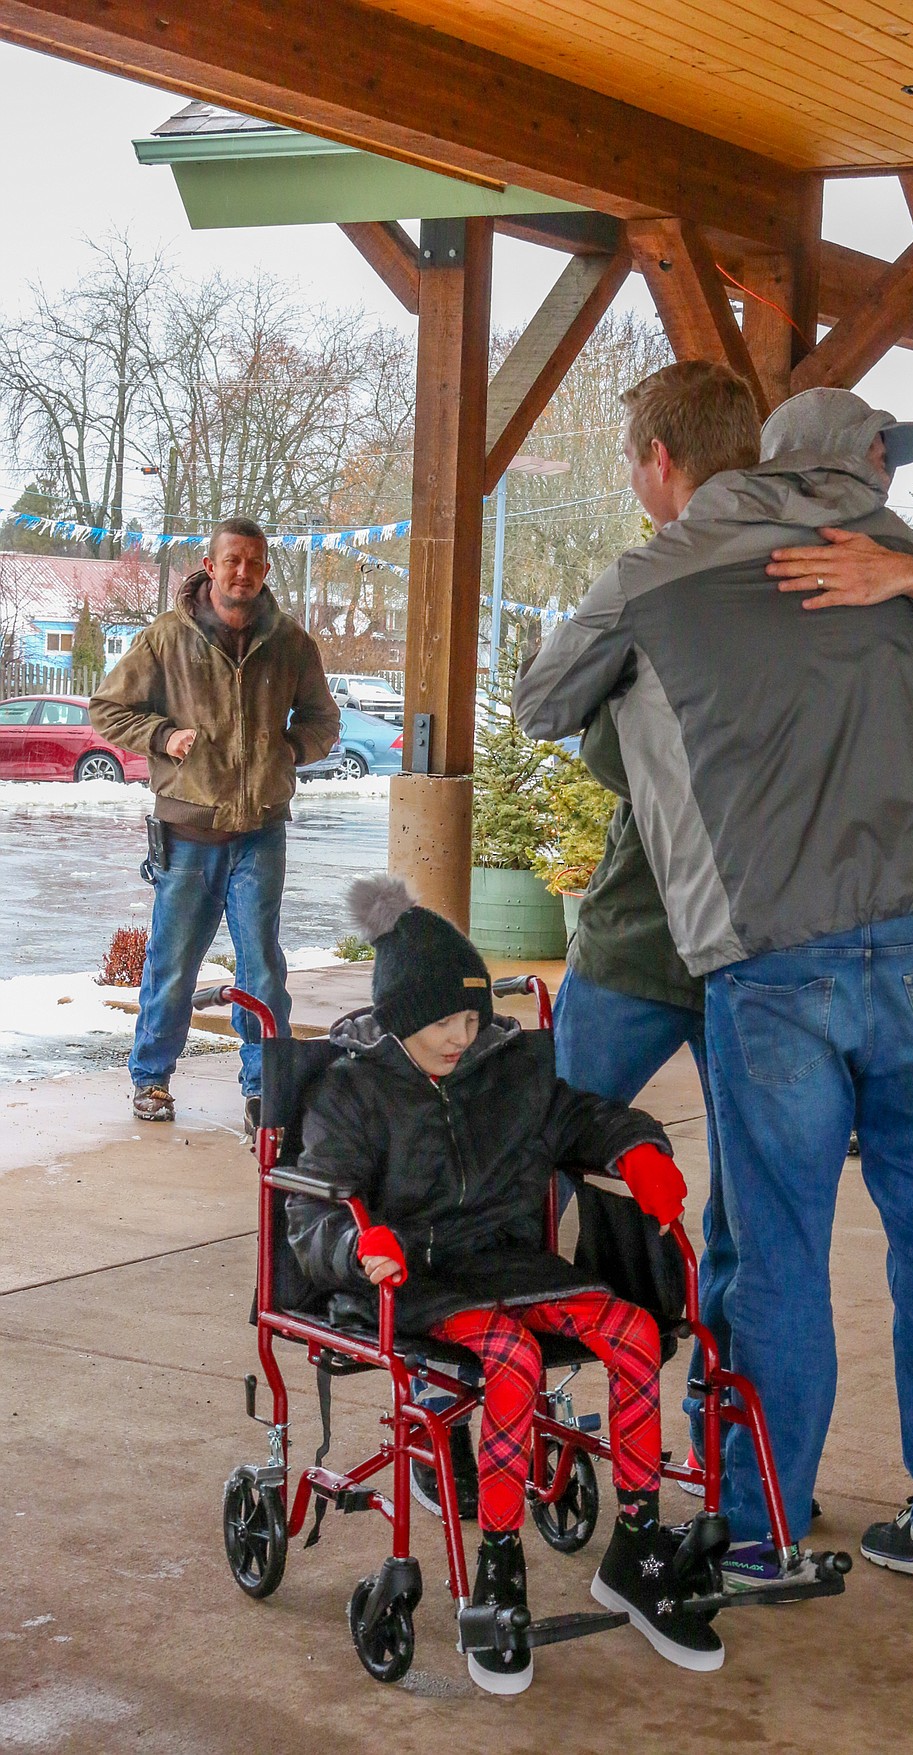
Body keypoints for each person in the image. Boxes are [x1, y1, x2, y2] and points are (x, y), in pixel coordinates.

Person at [515, 364, 913, 1592]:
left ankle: (763, 1530)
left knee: (780, 1246)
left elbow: (542, 704)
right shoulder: (903, 568)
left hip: (773, 949)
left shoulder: (662, 572)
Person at [286, 874, 724, 1694]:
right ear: (401, 1016)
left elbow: (581, 1118)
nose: (463, 1034)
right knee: (514, 1360)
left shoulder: (508, 1068)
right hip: (417, 1281)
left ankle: (636, 1544)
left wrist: (637, 1149)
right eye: (444, 1021)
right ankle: (497, 1565)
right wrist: (359, 1244)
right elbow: (314, 1217)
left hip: (511, 1264)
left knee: (633, 1330)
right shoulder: (351, 1091)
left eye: (472, 1016)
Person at [89, 517, 339, 1129]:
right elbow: (106, 710)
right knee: (173, 965)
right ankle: (151, 1078)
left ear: (265, 570)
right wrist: (161, 734)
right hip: (187, 835)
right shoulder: (165, 640)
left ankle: (263, 1088)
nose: (243, 573)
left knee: (262, 969)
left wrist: (289, 751)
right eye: (232, 561)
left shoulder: (291, 645)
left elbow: (323, 721)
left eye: (254, 563)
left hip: (260, 833)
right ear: (209, 564)